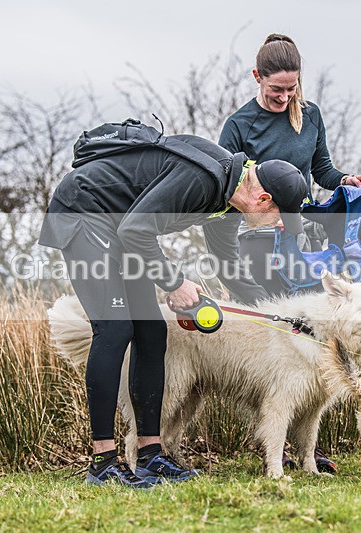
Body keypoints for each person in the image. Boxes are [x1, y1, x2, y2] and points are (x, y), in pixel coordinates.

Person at [38, 126, 308, 489]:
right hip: (85, 212)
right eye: (279, 214)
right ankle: (102, 463)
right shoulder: (204, 179)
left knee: (151, 331)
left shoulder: (227, 199)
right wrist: (174, 282)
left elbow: (228, 264)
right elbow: (136, 230)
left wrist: (274, 315)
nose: (277, 223)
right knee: (115, 329)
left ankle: (151, 457)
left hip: (121, 226)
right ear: (262, 199)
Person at [218, 32, 361, 473]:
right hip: (260, 242)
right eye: (275, 91)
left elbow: (322, 170)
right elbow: (230, 190)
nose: (285, 97)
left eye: (292, 89)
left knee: (314, 340)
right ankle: (275, 446)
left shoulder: (311, 116)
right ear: (257, 78)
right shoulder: (238, 126)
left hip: (303, 242)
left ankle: (307, 449)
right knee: (279, 345)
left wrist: (348, 182)